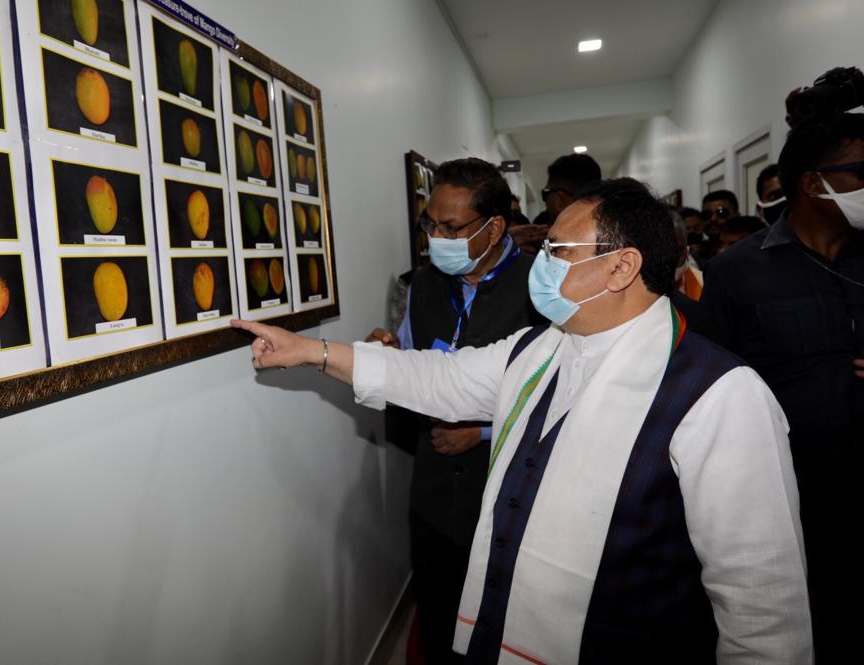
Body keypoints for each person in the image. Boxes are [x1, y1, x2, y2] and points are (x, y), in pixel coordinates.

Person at [233, 178, 813, 664]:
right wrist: (312, 351)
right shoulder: (538, 350)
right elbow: (435, 378)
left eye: (558, 252)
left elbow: (761, 602)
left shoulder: (721, 394)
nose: (539, 264)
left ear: (621, 268)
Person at [701, 108, 864, 664]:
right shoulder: (736, 274)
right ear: (814, 184)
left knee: (861, 630)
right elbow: (704, 395)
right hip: (780, 506)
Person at [367, 157, 541, 664]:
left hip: (508, 496)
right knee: (441, 621)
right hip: (434, 494)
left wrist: (484, 431)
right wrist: (389, 358)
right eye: (430, 223)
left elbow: (561, 391)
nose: (435, 237)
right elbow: (417, 367)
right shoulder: (422, 284)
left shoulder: (542, 289)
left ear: (495, 227)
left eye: (451, 227)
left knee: (502, 626)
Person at [700, 189, 739, 260]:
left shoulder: (747, 249)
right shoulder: (694, 257)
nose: (713, 219)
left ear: (736, 216)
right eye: (707, 214)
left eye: (721, 213)